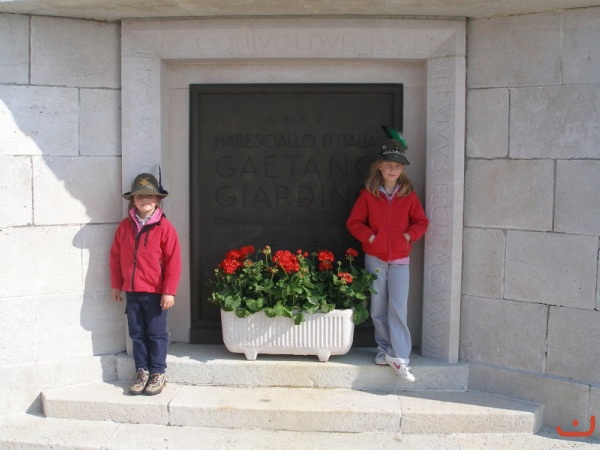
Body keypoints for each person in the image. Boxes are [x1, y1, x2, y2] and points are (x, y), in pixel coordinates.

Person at [346, 129, 428, 382]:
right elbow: (354, 223)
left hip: (401, 260)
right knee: (378, 307)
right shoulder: (368, 196)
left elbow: (421, 222)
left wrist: (408, 236)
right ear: (380, 167)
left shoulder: (409, 197)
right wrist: (371, 238)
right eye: (389, 165)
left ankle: (400, 356)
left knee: (398, 308)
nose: (393, 170)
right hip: (376, 258)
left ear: (402, 170)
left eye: (398, 166)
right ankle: (384, 349)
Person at [110, 172, 182, 395]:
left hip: (156, 293)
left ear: (158, 199)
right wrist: (117, 284)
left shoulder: (164, 227)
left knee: (156, 333)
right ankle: (142, 370)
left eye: (150, 196)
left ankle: (158, 372)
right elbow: (115, 256)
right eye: (140, 196)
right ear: (133, 200)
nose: (145, 200)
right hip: (133, 292)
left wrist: (169, 291)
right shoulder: (125, 227)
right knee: (137, 333)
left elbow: (173, 262)